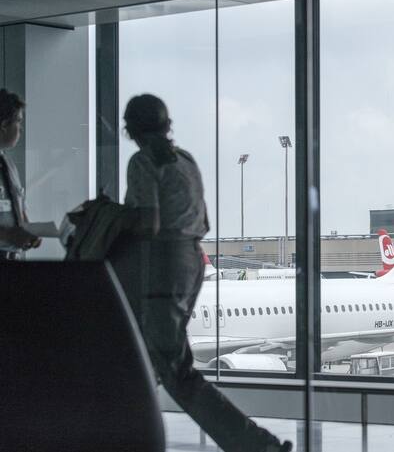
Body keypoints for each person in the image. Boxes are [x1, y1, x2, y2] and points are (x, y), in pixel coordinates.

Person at [119, 94, 290, 452]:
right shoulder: (186, 161)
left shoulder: (142, 163)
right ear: (168, 126)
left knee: (173, 370)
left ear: (131, 130)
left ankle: (257, 445)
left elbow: (147, 224)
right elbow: (205, 221)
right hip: (192, 261)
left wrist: (110, 221)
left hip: (161, 266)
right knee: (152, 363)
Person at [0, 89, 41, 260]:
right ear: (3, 124)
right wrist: (7, 234)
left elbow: (18, 206)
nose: (21, 129)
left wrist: (28, 231)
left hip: (11, 259)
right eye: (18, 121)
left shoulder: (9, 166)